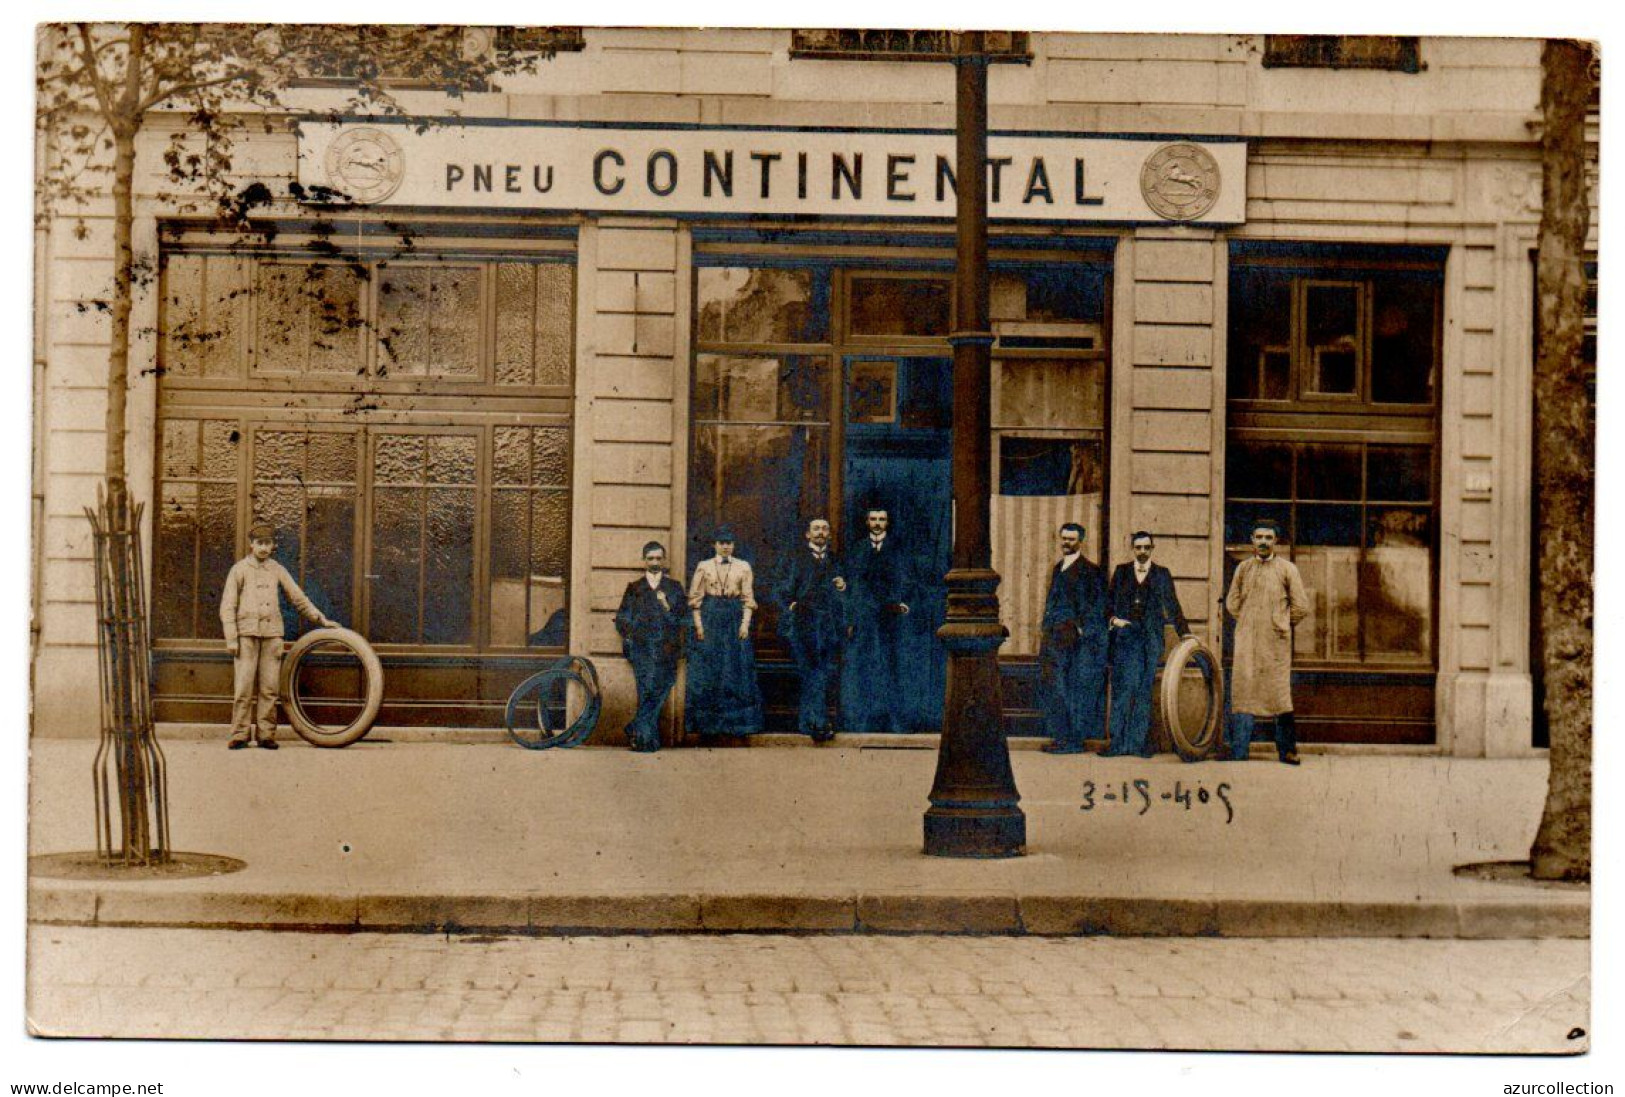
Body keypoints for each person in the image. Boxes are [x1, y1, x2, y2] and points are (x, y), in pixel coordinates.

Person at [219, 521, 338, 750]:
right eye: (259, 543)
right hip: (246, 635)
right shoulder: (239, 570)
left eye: (268, 543)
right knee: (243, 687)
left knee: (269, 688)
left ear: (273, 545)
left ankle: (266, 734)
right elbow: (228, 605)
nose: (264, 548)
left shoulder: (278, 570)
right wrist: (232, 637)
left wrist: (320, 619)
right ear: (251, 544)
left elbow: (298, 597)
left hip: (272, 635)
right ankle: (239, 734)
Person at [1224, 519, 1310, 765]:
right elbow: (1232, 602)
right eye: (1259, 537)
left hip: (1275, 643)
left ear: (1276, 541)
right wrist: (1250, 621)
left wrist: (1279, 623)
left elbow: (1301, 606)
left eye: (1268, 538)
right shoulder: (1243, 569)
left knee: (1279, 693)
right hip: (1247, 641)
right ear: (1252, 539)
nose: (1263, 542)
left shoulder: (1287, 569)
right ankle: (1239, 750)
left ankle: (1287, 751)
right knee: (1244, 690)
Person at [1105, 531, 1193, 758]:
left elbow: (1173, 605)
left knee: (1144, 691)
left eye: (1146, 547)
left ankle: (1137, 744)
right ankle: (1117, 744)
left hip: (1150, 641)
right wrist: (1115, 621)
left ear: (1152, 548)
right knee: (1123, 690)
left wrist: (1185, 633)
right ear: (1132, 548)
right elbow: (1107, 603)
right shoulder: (1122, 572)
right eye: (1138, 547)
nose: (1142, 551)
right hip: (1126, 640)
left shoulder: (1162, 574)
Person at [1038, 522, 1110, 754]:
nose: (1066, 543)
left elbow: (1098, 606)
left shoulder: (1091, 570)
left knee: (1071, 689)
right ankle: (1061, 737)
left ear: (1081, 541)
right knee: (1054, 687)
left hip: (1073, 641)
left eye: (1071, 539)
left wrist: (1081, 630)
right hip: (1053, 638)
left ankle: (1072, 741)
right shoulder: (1058, 567)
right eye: (1064, 538)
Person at [685, 527, 764, 736]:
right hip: (710, 619)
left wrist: (745, 624)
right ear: (714, 545)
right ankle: (708, 725)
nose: (725, 546)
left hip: (733, 618)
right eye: (721, 542)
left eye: (729, 542)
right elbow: (695, 599)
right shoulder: (704, 566)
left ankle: (736, 725)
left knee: (734, 668)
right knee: (710, 668)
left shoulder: (743, 567)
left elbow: (748, 598)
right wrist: (699, 626)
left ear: (734, 545)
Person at [841, 507, 912, 733]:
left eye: (882, 519)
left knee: (892, 667)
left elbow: (906, 581)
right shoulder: (857, 550)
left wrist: (900, 603)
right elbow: (853, 586)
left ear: (888, 522)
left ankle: (895, 721)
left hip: (891, 618)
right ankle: (863, 720)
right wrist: (853, 617)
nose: (878, 523)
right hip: (865, 618)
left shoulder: (898, 550)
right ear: (867, 521)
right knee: (865, 666)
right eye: (873, 519)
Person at [777, 517, 847, 742]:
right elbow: (778, 587)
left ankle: (809, 722)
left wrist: (843, 586)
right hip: (803, 623)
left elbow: (847, 591)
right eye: (816, 528)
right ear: (807, 534)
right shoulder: (794, 558)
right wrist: (791, 606)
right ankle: (818, 722)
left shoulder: (835, 560)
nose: (820, 532)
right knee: (812, 671)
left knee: (822, 672)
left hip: (828, 625)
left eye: (825, 528)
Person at [614, 541, 686, 753]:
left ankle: (635, 728)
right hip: (642, 648)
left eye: (658, 558)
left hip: (667, 648)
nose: (655, 562)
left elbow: (682, 618)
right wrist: (633, 630)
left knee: (663, 686)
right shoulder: (634, 588)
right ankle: (647, 741)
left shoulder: (674, 587)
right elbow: (622, 618)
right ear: (644, 560)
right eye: (650, 558)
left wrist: (665, 605)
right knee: (646, 691)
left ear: (664, 560)